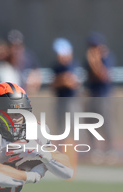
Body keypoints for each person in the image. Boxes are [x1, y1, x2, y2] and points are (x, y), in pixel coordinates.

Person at [83, 32, 115, 162]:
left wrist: (94, 62)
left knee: (106, 123)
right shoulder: (87, 58)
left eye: (95, 46)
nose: (93, 49)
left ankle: (109, 149)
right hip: (92, 94)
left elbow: (103, 76)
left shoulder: (107, 58)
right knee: (91, 122)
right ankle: (94, 149)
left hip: (104, 95)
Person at [51, 37, 81, 172]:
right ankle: (61, 158)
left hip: (71, 101)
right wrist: (62, 80)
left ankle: (72, 160)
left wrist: (62, 80)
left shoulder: (74, 65)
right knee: (60, 130)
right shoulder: (57, 67)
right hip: (60, 101)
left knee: (71, 131)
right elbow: (56, 83)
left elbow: (71, 82)